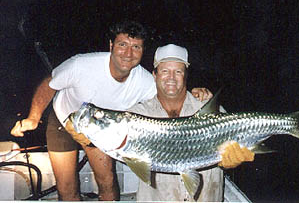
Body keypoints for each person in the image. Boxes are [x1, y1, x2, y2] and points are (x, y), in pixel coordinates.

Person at [10, 21, 213, 201]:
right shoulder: (81, 64)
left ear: (143, 52)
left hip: (102, 129)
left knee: (107, 182)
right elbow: (49, 84)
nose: (128, 53)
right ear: (111, 46)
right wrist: (33, 118)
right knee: (66, 188)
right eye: (122, 45)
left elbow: (170, 92)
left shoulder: (144, 82)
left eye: (136, 47)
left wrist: (195, 92)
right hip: (64, 120)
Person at [127, 44, 255, 201]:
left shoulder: (208, 108)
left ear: (186, 75)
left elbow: (236, 147)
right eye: (165, 71)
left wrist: (232, 161)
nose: (171, 78)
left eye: (178, 71)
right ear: (155, 74)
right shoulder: (137, 115)